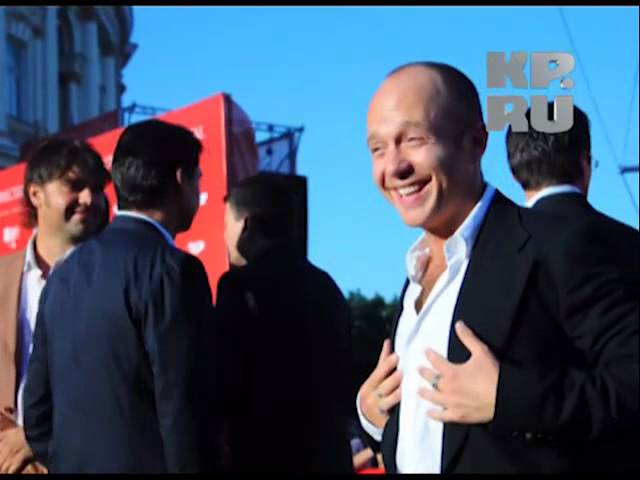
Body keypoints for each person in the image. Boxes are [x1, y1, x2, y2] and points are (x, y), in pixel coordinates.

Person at [356, 62, 639, 473]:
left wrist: (509, 397)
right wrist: (374, 417)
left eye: (414, 140)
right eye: (378, 149)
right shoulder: (414, 279)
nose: (394, 166)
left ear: (475, 142)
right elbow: (439, 440)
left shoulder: (556, 245)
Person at [23, 119, 220, 473]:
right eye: (199, 179)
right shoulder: (173, 270)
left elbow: (36, 415)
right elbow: (185, 410)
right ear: (181, 180)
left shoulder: (64, 274)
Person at [215, 173, 354, 473]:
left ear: (248, 226)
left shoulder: (240, 286)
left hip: (264, 457)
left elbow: (226, 380)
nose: (224, 237)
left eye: (226, 226)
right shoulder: (327, 288)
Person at [0, 138, 110, 474]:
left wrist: (35, 436)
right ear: (36, 194)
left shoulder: (115, 277)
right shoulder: (3, 276)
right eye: (74, 186)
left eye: (96, 188)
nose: (88, 198)